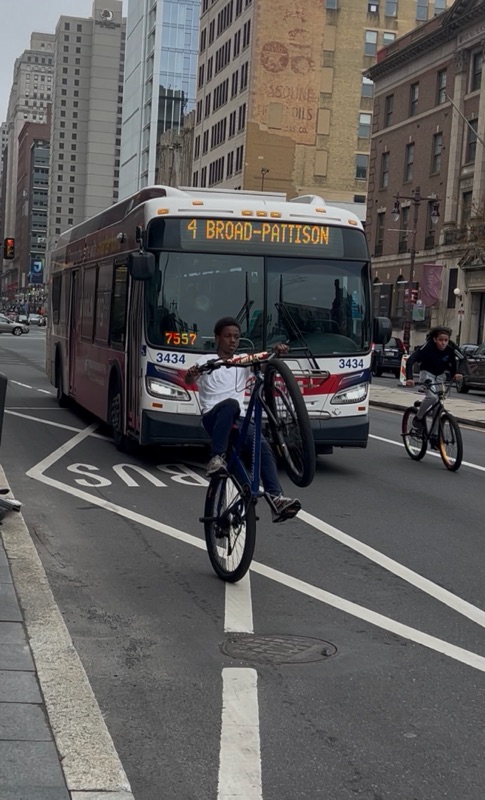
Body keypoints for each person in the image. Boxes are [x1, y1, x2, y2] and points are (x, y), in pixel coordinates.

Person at [185, 316, 301, 523]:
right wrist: (192, 373)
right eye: (227, 336)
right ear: (217, 338)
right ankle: (216, 458)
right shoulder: (206, 361)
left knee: (262, 446)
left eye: (236, 337)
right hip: (214, 418)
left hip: (238, 421)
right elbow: (189, 378)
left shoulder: (242, 362)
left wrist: (276, 352)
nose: (232, 341)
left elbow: (263, 364)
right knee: (231, 404)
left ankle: (276, 499)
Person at [405, 326, 461, 447]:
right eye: (440, 340)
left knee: (438, 406)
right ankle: (418, 418)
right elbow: (411, 360)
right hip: (427, 374)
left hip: (440, 376)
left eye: (446, 340)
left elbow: (463, 359)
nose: (443, 343)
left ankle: (435, 436)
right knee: (432, 397)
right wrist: (409, 378)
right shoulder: (428, 347)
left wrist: (457, 373)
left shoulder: (451, 347)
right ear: (435, 339)